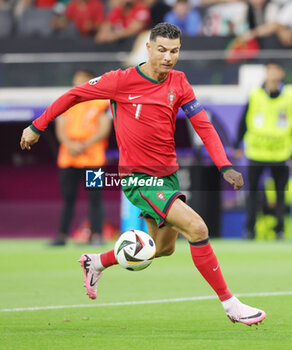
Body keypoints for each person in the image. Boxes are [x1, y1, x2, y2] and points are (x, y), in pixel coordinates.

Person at [20, 22, 266, 326]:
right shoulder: (120, 81)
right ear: (148, 48)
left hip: (168, 176)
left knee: (161, 248)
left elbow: (204, 126)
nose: (167, 57)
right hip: (138, 178)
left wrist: (225, 165)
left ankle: (96, 261)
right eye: (161, 49)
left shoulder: (180, 82)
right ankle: (231, 305)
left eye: (174, 51)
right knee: (198, 229)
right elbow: (74, 95)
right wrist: (37, 126)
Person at [52, 69, 112, 245]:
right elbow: (60, 128)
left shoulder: (101, 103)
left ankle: (97, 235)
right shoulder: (67, 101)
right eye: (75, 78)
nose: (77, 82)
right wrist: (72, 145)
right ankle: (61, 236)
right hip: (69, 158)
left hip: (93, 159)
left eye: (81, 79)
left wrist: (84, 144)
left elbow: (104, 128)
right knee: (68, 198)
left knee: (95, 198)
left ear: (90, 80)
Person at [234, 62, 291, 240]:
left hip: (280, 153)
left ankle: (279, 230)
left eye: (276, 70)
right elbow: (243, 120)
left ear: (281, 73)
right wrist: (237, 145)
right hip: (257, 153)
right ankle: (250, 230)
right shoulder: (255, 95)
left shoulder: (288, 96)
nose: (273, 74)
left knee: (281, 194)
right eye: (270, 70)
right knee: (252, 194)